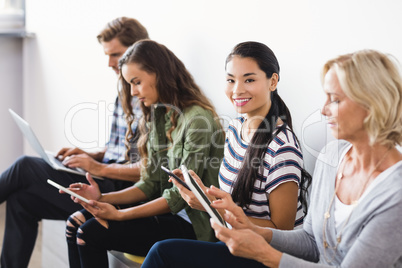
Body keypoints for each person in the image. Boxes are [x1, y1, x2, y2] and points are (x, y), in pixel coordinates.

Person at [142, 49, 402, 268]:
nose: (323, 110)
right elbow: (311, 241)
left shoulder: (395, 195)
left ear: (372, 104)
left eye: (334, 100)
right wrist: (249, 228)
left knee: (162, 253)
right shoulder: (331, 156)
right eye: (231, 79)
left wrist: (262, 251)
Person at [0, 17, 148, 268]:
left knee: (26, 165)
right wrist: (90, 155)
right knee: (22, 201)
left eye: (117, 55)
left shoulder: (148, 96)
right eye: (108, 55)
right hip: (105, 175)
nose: (111, 63)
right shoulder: (124, 89)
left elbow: (147, 168)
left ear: (139, 53)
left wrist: (97, 167)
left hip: (117, 188)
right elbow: (120, 149)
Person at [64, 39, 225, 268]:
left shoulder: (198, 120)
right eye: (130, 84)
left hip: (194, 226)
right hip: (170, 215)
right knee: (75, 222)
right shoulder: (160, 114)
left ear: (159, 74)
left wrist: (119, 215)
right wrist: (100, 199)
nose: (133, 92)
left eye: (137, 82)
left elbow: (178, 197)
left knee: (89, 232)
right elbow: (149, 183)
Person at [170, 41, 311, 230]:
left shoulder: (282, 148)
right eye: (231, 80)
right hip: (235, 242)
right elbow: (237, 202)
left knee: (162, 251)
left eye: (249, 80)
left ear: (273, 81)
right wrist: (203, 193)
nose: (237, 90)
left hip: (266, 255)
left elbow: (282, 230)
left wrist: (210, 206)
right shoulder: (236, 128)